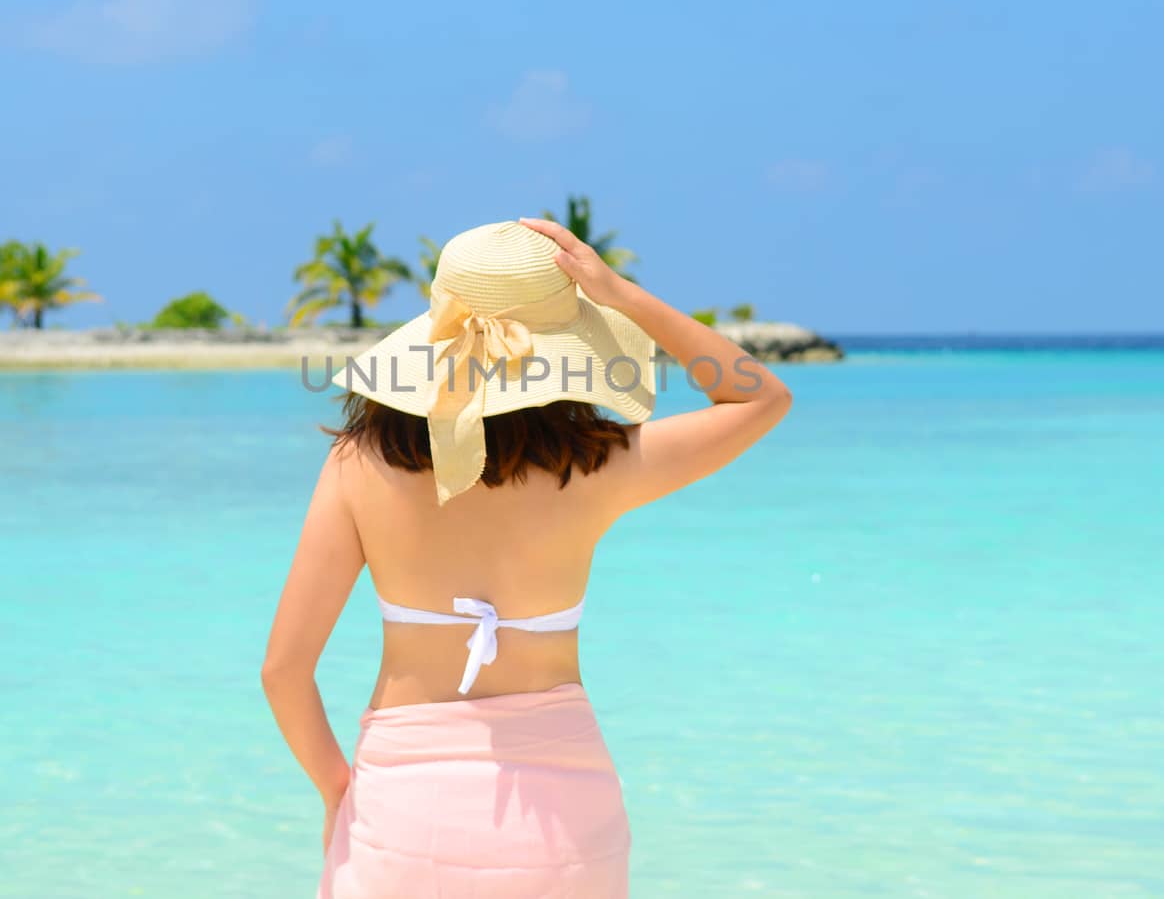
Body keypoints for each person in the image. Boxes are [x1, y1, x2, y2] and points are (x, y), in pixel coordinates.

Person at [262, 216, 793, 897]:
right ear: (565, 347)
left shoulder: (358, 466)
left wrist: (339, 792)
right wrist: (623, 295)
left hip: (402, 809)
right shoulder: (601, 468)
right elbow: (760, 395)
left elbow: (283, 671)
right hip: (563, 825)